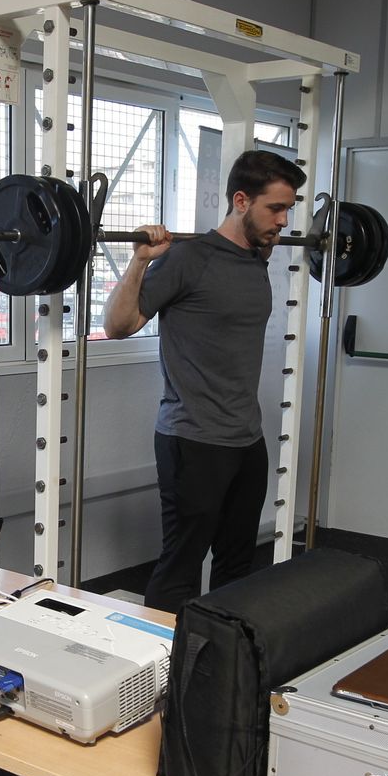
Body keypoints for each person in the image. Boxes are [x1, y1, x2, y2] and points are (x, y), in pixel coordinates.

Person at [103, 149, 307, 613]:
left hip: (245, 441)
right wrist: (140, 261)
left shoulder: (257, 257)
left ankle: (217, 670)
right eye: (276, 208)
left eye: (288, 209)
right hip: (192, 441)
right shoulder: (186, 260)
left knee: (237, 566)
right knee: (181, 567)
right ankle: (157, 679)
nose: (284, 220)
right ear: (241, 200)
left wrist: (266, 239)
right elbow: (118, 325)